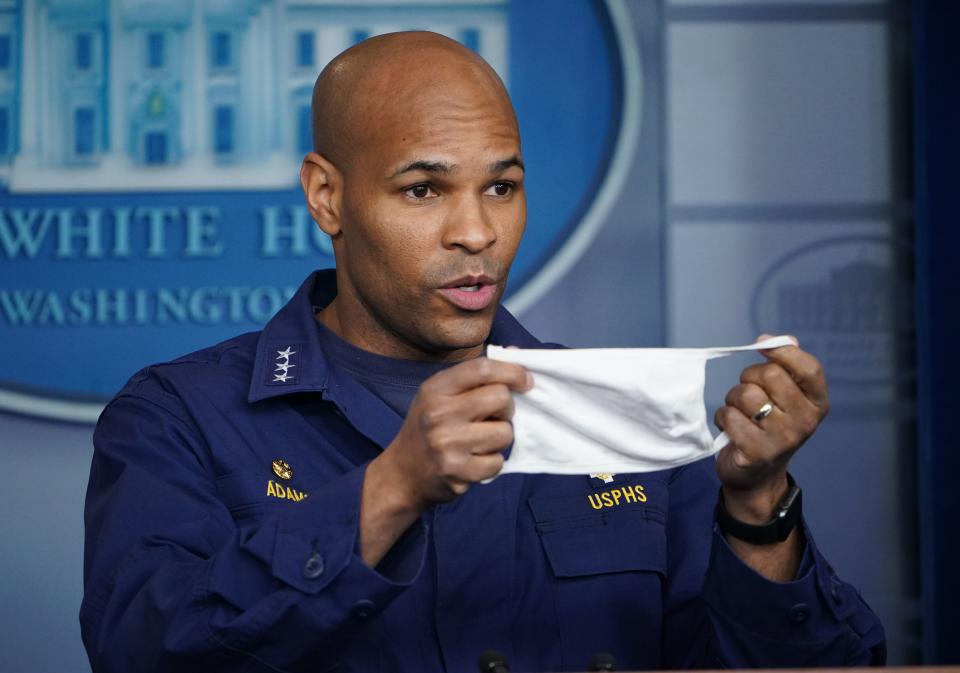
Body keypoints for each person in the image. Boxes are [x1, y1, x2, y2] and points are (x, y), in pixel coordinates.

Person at [80, 32, 884, 672]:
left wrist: (757, 509)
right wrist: (389, 488)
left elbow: (813, 663)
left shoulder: (627, 416)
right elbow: (145, 651)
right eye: (423, 189)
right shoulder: (178, 417)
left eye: (501, 186)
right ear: (328, 196)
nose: (477, 232)